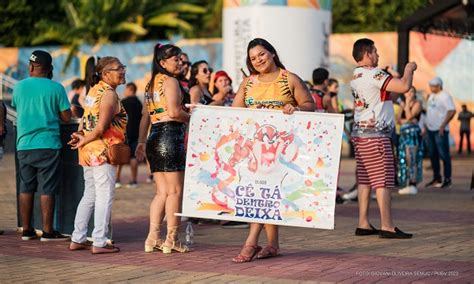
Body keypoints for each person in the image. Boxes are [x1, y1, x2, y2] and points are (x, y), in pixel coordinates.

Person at [231, 38, 315, 262]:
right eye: (252, 58)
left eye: (261, 54)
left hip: (280, 150)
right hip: (253, 151)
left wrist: (295, 108)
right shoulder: (248, 83)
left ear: (272, 53)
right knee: (263, 195)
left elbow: (310, 105)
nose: (258, 60)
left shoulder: (289, 79)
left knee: (265, 194)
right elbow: (234, 111)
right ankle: (272, 245)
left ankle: (250, 243)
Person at [350, 38, 416, 239]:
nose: (378, 55)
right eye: (375, 51)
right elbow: (404, 86)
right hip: (377, 136)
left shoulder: (356, 75)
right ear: (367, 53)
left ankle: (363, 223)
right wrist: (409, 68)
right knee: (383, 180)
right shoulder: (374, 73)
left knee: (365, 180)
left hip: (360, 136)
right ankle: (387, 226)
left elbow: (388, 97)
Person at [68, 56, 128, 254]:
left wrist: (80, 137)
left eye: (123, 67)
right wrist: (84, 139)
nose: (123, 71)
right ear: (105, 73)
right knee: (104, 195)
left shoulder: (93, 91)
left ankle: (78, 238)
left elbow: (85, 121)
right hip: (102, 151)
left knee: (90, 194)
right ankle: (100, 242)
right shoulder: (109, 94)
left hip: (88, 152)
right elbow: (101, 127)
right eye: (118, 68)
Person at [135, 43, 191, 254]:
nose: (180, 62)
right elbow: (175, 112)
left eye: (180, 58)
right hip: (171, 135)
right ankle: (172, 239)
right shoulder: (171, 81)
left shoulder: (151, 84)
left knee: (161, 192)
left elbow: (145, 117)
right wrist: (193, 118)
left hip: (154, 137)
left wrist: (141, 142)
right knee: (175, 191)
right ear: (162, 63)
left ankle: (152, 238)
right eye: (175, 59)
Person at [12, 50, 72, 241]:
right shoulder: (57, 88)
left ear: (31, 67)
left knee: (26, 187)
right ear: (49, 69)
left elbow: (17, 106)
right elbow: (66, 117)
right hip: (48, 144)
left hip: (24, 144)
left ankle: (27, 230)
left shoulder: (19, 87)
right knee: (47, 188)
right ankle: (47, 231)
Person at [425, 76, 456, 188]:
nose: (431, 87)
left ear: (439, 86)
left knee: (444, 155)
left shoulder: (445, 96)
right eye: (430, 85)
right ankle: (436, 178)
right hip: (430, 130)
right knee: (433, 155)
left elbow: (452, 110)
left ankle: (447, 179)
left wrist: (443, 125)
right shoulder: (432, 95)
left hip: (440, 130)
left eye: (433, 86)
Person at [116, 82, 142, 188]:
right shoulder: (139, 103)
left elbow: (117, 116)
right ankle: (134, 180)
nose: (124, 92)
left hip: (124, 133)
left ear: (130, 90)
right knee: (133, 157)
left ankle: (117, 180)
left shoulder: (124, 102)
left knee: (120, 157)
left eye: (125, 89)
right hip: (136, 132)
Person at [397, 87, 423, 195]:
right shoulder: (401, 105)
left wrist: (407, 104)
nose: (409, 94)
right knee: (403, 158)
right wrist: (408, 120)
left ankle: (413, 183)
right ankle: (405, 182)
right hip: (403, 134)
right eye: (407, 91)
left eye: (412, 92)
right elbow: (399, 120)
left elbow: (408, 116)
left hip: (413, 134)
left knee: (411, 158)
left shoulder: (417, 104)